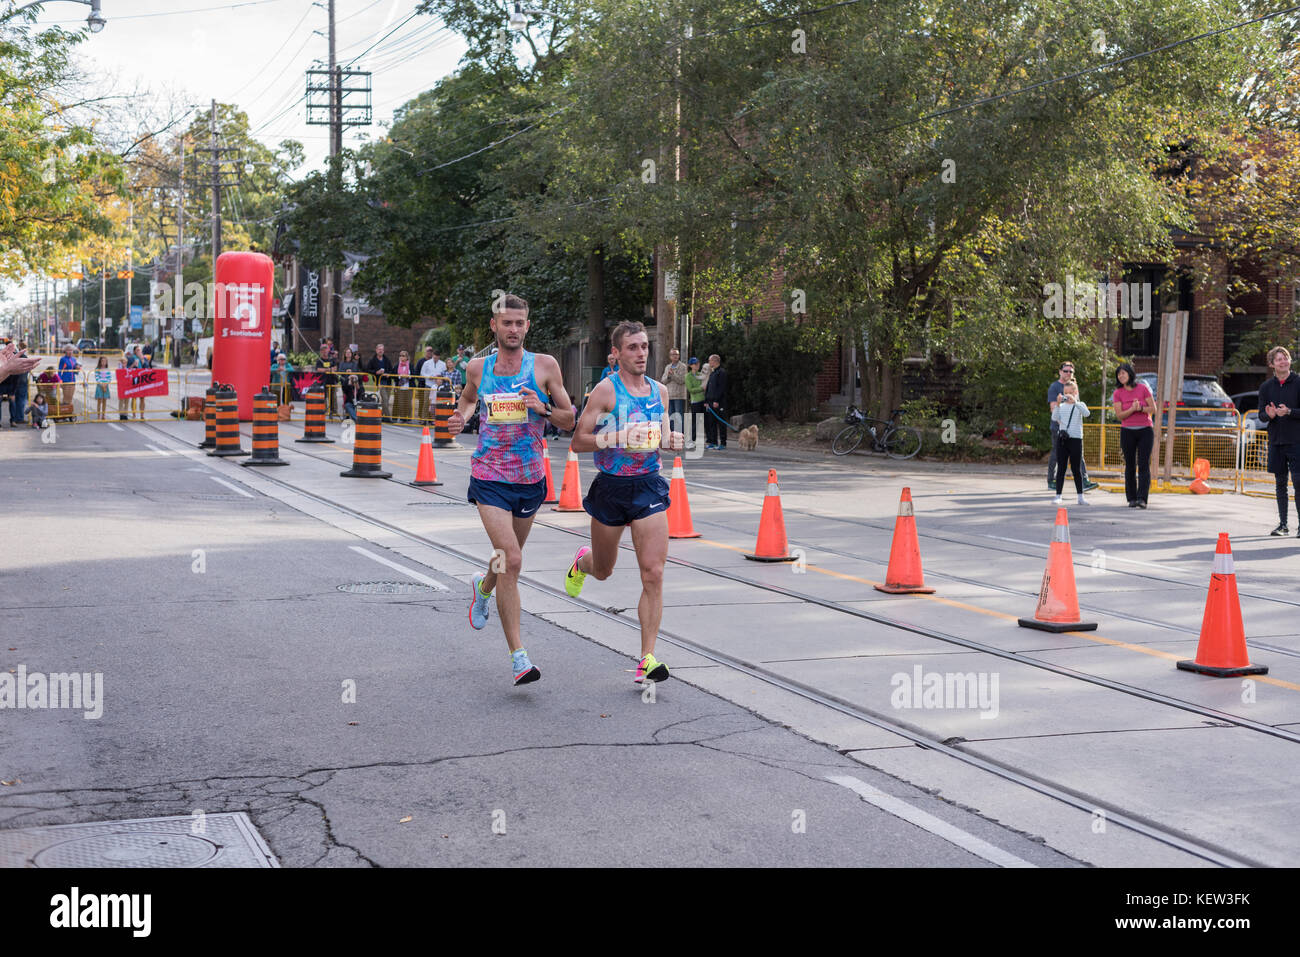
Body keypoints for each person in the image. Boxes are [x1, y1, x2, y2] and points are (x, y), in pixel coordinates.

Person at [447, 294, 575, 686]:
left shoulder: (545, 366)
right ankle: (519, 657)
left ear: (527, 326)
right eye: (507, 323)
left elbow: (570, 420)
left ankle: (483, 585)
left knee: (504, 562)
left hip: (531, 479)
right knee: (513, 559)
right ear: (494, 326)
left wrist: (544, 409)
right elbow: (468, 400)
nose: (514, 330)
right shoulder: (478, 367)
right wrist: (460, 416)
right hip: (489, 476)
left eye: (520, 323)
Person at [564, 320, 685, 685]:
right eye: (632, 347)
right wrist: (617, 436)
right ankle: (582, 565)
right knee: (604, 569)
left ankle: (647, 658)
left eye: (644, 346)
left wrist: (670, 439)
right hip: (612, 488)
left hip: (649, 487)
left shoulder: (659, 391)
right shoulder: (605, 391)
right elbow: (578, 441)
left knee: (654, 572)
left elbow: (660, 434)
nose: (641, 353)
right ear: (615, 353)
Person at [1258, 345, 1300, 536]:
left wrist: (1289, 412)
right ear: (1271, 364)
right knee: (1280, 484)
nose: (1283, 361)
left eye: (1286, 358)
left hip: (1296, 441)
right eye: (1279, 359)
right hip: (1276, 442)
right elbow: (1261, 415)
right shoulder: (1266, 387)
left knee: (1298, 483)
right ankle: (1283, 524)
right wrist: (1270, 415)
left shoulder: (1298, 382)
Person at [1111, 362, 1156, 508]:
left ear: (1130, 374)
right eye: (1119, 374)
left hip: (1145, 430)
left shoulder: (1142, 388)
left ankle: (1142, 498)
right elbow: (1120, 415)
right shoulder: (1117, 393)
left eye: (1123, 373)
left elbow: (1153, 409)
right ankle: (1131, 498)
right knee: (1130, 465)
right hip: (1127, 431)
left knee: (1143, 464)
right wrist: (1132, 409)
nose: (1121, 376)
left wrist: (1141, 408)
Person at [1047, 361, 1098, 491]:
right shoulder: (1054, 387)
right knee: (1056, 454)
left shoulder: (1074, 387)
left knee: (1079, 455)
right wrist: (1064, 428)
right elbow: (1054, 409)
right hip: (1059, 428)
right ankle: (1051, 480)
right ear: (1060, 372)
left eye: (1071, 371)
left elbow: (1079, 408)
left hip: (1074, 431)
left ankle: (1084, 480)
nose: (1068, 373)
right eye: (1066, 371)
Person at [1051, 381, 1091, 506]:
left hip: (1076, 439)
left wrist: (1075, 402)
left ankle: (1080, 496)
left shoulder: (1080, 405)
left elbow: (1087, 413)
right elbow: (1054, 418)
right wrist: (1057, 404)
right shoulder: (1061, 406)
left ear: (1076, 392)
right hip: (1062, 440)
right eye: (1065, 393)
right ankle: (1058, 495)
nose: (1068, 395)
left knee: (1076, 468)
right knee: (1061, 468)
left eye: (1070, 392)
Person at [704, 353, 728, 450]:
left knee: (721, 423)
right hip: (710, 402)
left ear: (715, 361)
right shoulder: (713, 373)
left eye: (710, 361)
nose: (709, 362)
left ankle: (723, 443)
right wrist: (706, 400)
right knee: (711, 422)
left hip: (718, 402)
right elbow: (709, 387)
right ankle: (713, 442)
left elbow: (721, 388)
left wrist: (716, 400)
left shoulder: (721, 373)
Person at [662, 347, 687, 439]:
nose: (675, 356)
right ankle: (671, 435)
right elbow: (663, 380)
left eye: (677, 354)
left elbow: (682, 380)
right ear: (670, 356)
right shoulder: (667, 367)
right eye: (673, 354)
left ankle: (680, 436)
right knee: (670, 416)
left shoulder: (683, 366)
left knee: (679, 417)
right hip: (669, 395)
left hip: (679, 395)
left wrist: (673, 375)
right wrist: (668, 376)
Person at [365, 344, 395, 420]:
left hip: (387, 382)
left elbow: (391, 370)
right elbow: (368, 370)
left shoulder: (387, 360)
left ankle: (380, 416)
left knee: (386, 401)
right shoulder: (372, 360)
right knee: (384, 399)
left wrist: (389, 374)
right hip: (379, 382)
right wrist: (376, 372)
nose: (380, 351)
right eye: (379, 349)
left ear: (383, 351)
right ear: (376, 350)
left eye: (382, 349)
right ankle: (388, 418)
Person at [685, 355, 706, 450]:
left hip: (703, 400)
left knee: (702, 421)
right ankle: (691, 441)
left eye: (698, 363)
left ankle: (700, 441)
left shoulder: (700, 374)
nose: (697, 365)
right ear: (691, 365)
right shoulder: (688, 376)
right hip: (695, 402)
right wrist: (701, 388)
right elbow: (691, 389)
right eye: (695, 364)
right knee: (695, 422)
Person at [338, 346, 362, 421]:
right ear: (345, 354)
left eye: (349, 353)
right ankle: (348, 415)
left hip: (352, 384)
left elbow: (356, 371)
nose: (348, 354)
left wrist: (350, 371)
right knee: (346, 399)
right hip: (344, 383)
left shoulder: (354, 363)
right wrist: (346, 371)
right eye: (347, 353)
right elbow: (340, 371)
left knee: (349, 400)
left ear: (351, 354)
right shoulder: (342, 363)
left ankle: (350, 416)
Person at [315, 347, 339, 417]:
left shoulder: (332, 360)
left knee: (333, 396)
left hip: (332, 380)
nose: (325, 353)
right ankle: (324, 410)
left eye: (326, 351)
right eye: (323, 351)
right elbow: (318, 369)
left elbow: (335, 368)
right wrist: (328, 369)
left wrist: (329, 369)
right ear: (321, 352)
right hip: (322, 381)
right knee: (323, 396)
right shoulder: (319, 360)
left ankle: (333, 411)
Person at [58, 344, 80, 412]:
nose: (70, 351)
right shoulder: (63, 359)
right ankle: (64, 411)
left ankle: (69, 411)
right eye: (68, 350)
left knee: (70, 397)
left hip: (73, 380)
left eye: (71, 350)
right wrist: (60, 380)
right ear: (65, 351)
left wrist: (77, 369)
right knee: (66, 397)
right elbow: (59, 371)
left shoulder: (74, 359)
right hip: (66, 379)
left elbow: (75, 371)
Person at [93, 356, 112, 420]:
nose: (104, 362)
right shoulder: (97, 369)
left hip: (106, 386)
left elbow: (109, 378)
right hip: (99, 386)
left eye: (105, 361)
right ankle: (98, 415)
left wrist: (106, 384)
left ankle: (103, 415)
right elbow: (97, 378)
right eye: (102, 361)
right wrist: (102, 384)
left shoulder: (107, 369)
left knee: (104, 401)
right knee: (99, 401)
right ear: (100, 362)